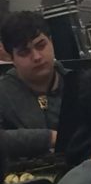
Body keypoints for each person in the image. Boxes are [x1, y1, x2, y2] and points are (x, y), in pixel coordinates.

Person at [0, 11, 67, 159]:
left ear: (51, 42)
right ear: (11, 58)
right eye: (24, 52)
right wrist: (49, 138)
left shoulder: (79, 82)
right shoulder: (3, 92)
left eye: (41, 45)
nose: (36, 57)